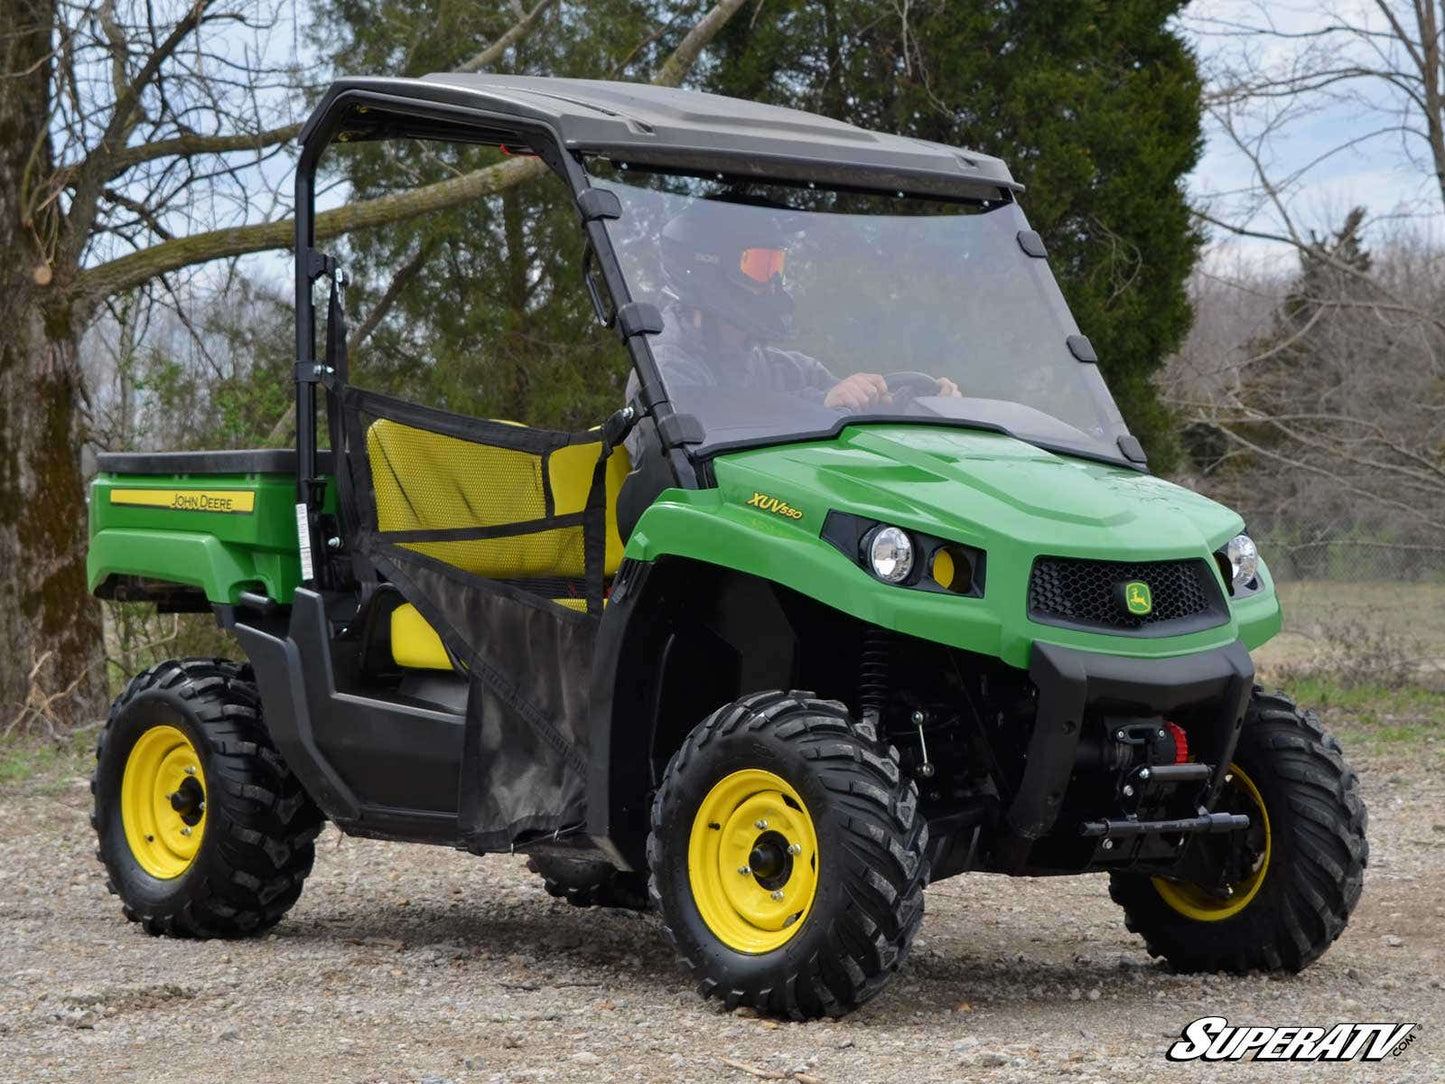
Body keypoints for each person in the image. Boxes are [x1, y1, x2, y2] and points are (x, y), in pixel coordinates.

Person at [632, 202, 961, 420]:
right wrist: (819, 406)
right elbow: (713, 427)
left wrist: (921, 403)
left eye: (778, 265)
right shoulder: (664, 369)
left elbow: (853, 405)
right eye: (760, 266)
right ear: (705, 267)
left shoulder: (780, 367)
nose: (773, 283)